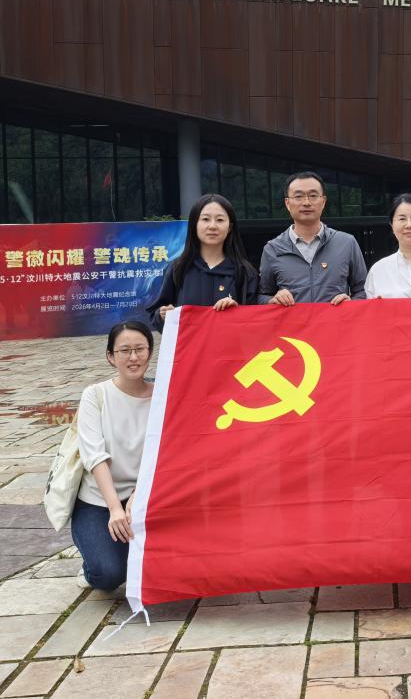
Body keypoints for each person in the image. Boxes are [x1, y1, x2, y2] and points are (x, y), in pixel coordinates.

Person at [72, 320, 155, 591]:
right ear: (111, 356)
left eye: (140, 349)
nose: (133, 357)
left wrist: (138, 495)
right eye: (124, 351)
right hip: (99, 500)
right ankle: (91, 562)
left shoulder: (163, 396)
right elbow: (95, 457)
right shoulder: (95, 395)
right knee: (108, 574)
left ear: (150, 352)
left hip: (147, 498)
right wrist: (115, 508)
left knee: (160, 565)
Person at [147, 193, 258, 330]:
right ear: (194, 225)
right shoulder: (178, 268)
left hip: (230, 343)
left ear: (230, 227)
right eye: (205, 219)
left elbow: (255, 320)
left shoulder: (244, 272)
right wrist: (162, 315)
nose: (212, 226)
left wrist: (236, 310)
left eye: (220, 220)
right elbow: (156, 316)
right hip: (190, 343)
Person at [259, 171, 367, 305]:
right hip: (293, 320)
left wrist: (351, 303)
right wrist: (273, 300)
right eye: (298, 196)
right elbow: (261, 295)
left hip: (336, 319)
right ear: (287, 203)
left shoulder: (347, 243)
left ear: (323, 201)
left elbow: (363, 290)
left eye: (313, 196)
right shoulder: (272, 249)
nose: (306, 202)